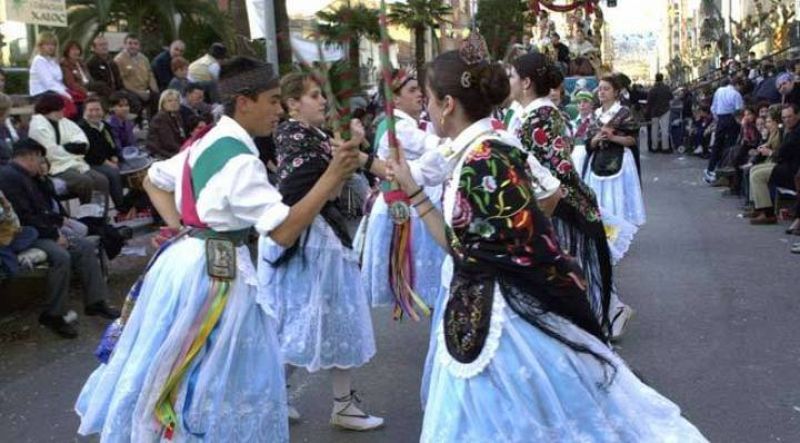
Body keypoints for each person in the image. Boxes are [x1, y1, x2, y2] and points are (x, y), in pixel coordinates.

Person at [385, 43, 707, 442]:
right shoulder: (480, 149)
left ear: (448, 104)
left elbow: (473, 245)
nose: (426, 110)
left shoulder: (482, 160)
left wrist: (523, 244)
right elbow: (473, 241)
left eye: (430, 100)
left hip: (501, 320)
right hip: (492, 306)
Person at [75, 56, 362, 441]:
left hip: (185, 263)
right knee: (229, 374)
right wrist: (331, 177)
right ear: (244, 102)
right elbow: (284, 232)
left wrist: (184, 228)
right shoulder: (241, 160)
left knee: (184, 367)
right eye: (273, 100)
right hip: (216, 277)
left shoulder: (208, 141)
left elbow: (154, 180)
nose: (278, 110)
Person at [258, 72, 382, 431]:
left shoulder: (314, 137)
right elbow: (307, 193)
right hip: (307, 241)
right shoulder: (293, 136)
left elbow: (355, 162)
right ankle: (278, 396)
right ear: (293, 104)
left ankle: (331, 402)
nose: (323, 101)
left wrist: (376, 163)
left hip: (320, 239)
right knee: (302, 320)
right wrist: (347, 159)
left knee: (328, 318)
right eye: (315, 95)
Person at [511, 52, 634, 340]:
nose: (509, 81)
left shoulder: (543, 115)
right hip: (549, 203)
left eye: (513, 76)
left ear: (527, 82)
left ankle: (606, 313)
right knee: (570, 266)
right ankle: (598, 315)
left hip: (557, 204)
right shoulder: (529, 114)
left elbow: (558, 168)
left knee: (573, 265)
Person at [0, 138, 119, 338]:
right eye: (39, 158)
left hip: (42, 229)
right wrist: (54, 235)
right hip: (26, 234)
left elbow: (45, 207)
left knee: (84, 246)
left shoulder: (28, 176)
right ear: (30, 156)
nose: (41, 163)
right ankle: (54, 314)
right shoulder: (9, 176)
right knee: (61, 256)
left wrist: (43, 183)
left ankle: (95, 301)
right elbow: (24, 216)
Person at [357, 69, 445, 310]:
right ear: (394, 99)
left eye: (419, 89)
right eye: (412, 90)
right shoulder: (399, 129)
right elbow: (436, 146)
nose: (420, 95)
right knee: (430, 283)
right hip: (409, 211)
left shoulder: (400, 124)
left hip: (409, 205)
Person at [584, 76, 646, 227]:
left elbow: (632, 140)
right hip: (598, 161)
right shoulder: (594, 114)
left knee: (617, 198)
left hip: (621, 161)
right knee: (599, 199)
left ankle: (618, 233)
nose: (602, 92)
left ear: (616, 92)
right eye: (600, 89)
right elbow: (590, 143)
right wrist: (596, 139)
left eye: (606, 89)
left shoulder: (624, 113)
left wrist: (613, 137)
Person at [28, 92, 109, 204]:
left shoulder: (62, 121)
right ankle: (89, 216)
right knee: (85, 182)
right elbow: (50, 152)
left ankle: (100, 216)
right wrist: (70, 149)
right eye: (60, 110)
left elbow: (81, 141)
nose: (63, 113)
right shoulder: (38, 126)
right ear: (49, 110)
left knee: (102, 180)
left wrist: (65, 148)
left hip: (72, 162)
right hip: (54, 166)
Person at [751, 104, 800, 224]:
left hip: (793, 170)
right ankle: (759, 208)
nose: (787, 120)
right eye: (784, 118)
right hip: (786, 164)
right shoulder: (791, 130)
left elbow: (782, 152)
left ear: (798, 115)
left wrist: (770, 152)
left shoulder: (796, 132)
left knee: (757, 175)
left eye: (790, 116)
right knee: (754, 169)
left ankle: (767, 213)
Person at [79, 97, 125, 209]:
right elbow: (89, 153)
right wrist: (107, 163)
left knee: (136, 169)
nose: (94, 113)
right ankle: (121, 206)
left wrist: (114, 156)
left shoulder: (105, 126)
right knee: (113, 172)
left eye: (97, 109)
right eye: (90, 110)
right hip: (90, 163)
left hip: (107, 160)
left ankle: (136, 204)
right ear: (84, 112)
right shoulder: (81, 128)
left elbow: (112, 145)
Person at [29, 32, 77, 119]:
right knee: (64, 102)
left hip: (54, 92)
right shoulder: (39, 60)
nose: (51, 47)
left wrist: (67, 92)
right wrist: (65, 94)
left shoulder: (53, 60)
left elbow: (58, 81)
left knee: (78, 100)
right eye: (47, 44)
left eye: (53, 44)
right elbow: (49, 83)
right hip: (41, 94)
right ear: (41, 46)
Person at [705, 77, 744, 183]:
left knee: (717, 144)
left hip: (721, 119)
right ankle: (724, 169)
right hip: (732, 119)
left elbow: (713, 107)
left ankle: (711, 168)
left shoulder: (719, 90)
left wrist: (717, 118)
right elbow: (739, 110)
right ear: (738, 85)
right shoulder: (736, 94)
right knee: (730, 145)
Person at [114, 33, 159, 118]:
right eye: (130, 43)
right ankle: (136, 125)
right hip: (129, 90)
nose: (132, 46)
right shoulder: (119, 60)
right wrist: (139, 93)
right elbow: (122, 80)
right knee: (135, 102)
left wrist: (154, 89)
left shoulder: (144, 58)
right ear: (124, 45)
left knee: (157, 98)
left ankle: (152, 123)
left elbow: (150, 75)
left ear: (139, 46)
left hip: (145, 89)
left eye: (135, 44)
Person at [145, 89, 186, 159]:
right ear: (163, 104)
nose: (174, 103)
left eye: (176, 100)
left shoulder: (176, 115)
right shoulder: (160, 118)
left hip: (174, 150)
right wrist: (184, 151)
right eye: (169, 101)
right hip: (162, 153)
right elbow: (168, 143)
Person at [86, 35, 123, 101]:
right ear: (94, 48)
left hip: (117, 92)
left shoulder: (112, 62)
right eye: (101, 45)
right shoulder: (92, 63)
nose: (104, 47)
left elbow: (119, 81)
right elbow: (96, 83)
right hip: (103, 94)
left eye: (105, 44)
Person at [60, 40, 92, 115]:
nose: (75, 52)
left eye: (77, 49)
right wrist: (86, 92)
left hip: (88, 87)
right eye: (73, 49)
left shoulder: (81, 63)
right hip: (78, 92)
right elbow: (71, 84)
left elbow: (89, 78)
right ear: (67, 51)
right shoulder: (65, 65)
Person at [647, 73, 674, 153]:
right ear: (662, 78)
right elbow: (671, 97)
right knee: (664, 130)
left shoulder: (652, 90)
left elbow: (649, 102)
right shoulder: (666, 88)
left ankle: (654, 147)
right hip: (665, 110)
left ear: (656, 79)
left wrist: (648, 111)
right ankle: (665, 148)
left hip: (654, 111)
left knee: (654, 130)